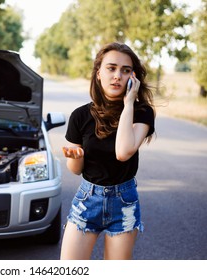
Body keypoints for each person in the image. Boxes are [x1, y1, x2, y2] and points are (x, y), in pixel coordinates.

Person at [60, 42, 155, 260]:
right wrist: (77, 157)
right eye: (111, 68)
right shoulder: (80, 116)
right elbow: (75, 170)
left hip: (124, 202)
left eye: (126, 70)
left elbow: (123, 152)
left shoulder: (142, 112)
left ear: (134, 77)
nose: (117, 76)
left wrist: (129, 103)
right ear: (98, 73)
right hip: (87, 199)